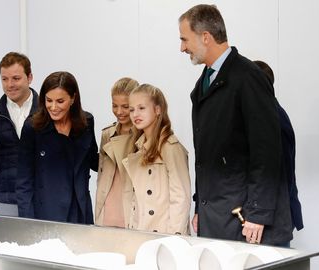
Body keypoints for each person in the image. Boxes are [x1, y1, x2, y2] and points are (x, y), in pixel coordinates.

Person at [179, 4, 292, 245]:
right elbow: (208, 158)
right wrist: (202, 206)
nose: (182, 48)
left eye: (185, 39)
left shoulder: (248, 77)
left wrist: (258, 213)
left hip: (245, 221)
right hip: (218, 216)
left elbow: (267, 150)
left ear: (206, 37)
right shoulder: (205, 83)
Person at [16, 71, 98, 224]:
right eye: (48, 100)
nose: (53, 107)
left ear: (73, 98)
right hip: (46, 213)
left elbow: (94, 161)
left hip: (79, 211)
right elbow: (23, 181)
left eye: (60, 101)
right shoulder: (32, 127)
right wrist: (27, 223)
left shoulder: (86, 122)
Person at [122, 84, 191, 234]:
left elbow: (181, 198)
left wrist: (175, 238)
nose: (135, 114)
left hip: (164, 235)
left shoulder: (170, 147)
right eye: (132, 109)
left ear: (158, 109)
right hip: (141, 231)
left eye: (142, 108)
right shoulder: (139, 147)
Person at [0, 52, 38, 215]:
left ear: (30, 77)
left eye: (16, 78)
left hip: (41, 199)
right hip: (5, 201)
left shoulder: (46, 112)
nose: (10, 84)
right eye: (5, 79)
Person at [253, 60, 304, 234]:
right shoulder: (267, 115)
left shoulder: (273, 119)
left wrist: (260, 214)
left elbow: (281, 173)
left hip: (273, 219)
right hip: (271, 215)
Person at [95, 77, 139, 228]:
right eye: (114, 106)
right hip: (107, 207)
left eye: (125, 106)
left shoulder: (145, 135)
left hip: (134, 210)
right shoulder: (107, 134)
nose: (119, 112)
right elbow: (101, 175)